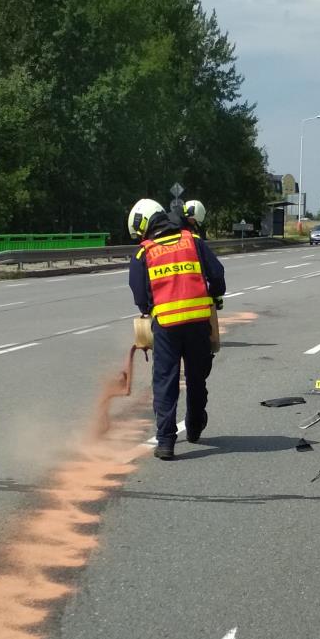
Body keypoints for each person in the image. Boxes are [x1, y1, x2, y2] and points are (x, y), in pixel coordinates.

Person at [127, 197, 226, 460]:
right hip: (198, 325)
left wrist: (148, 308)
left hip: (167, 328)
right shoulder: (193, 241)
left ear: (144, 224)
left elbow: (140, 295)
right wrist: (216, 296)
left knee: (165, 382)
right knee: (196, 378)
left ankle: (166, 442)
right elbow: (217, 274)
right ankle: (194, 426)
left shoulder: (144, 252)